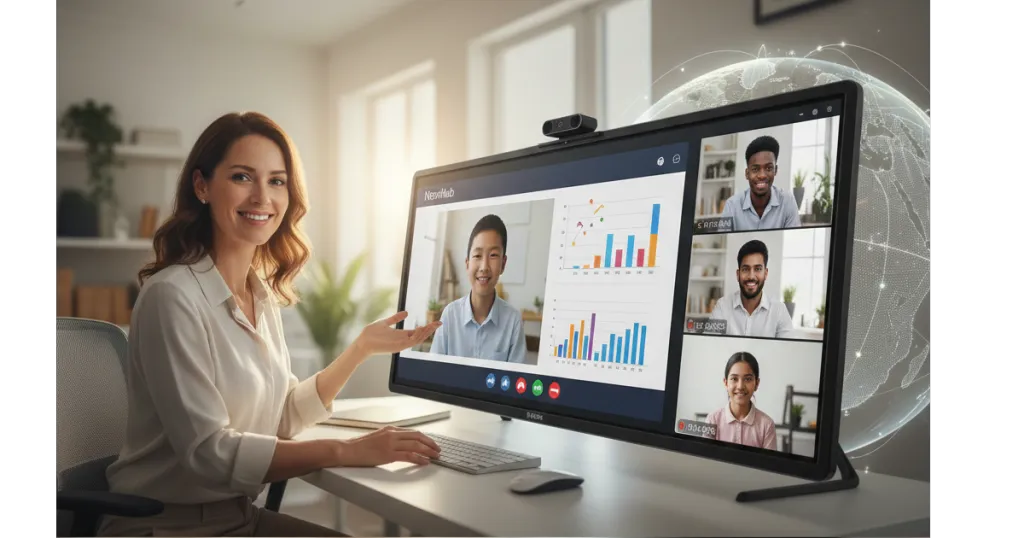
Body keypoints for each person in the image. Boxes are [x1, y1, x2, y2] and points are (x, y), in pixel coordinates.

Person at [96, 112, 443, 537]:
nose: (263, 196)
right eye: (243, 177)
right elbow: (210, 453)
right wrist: (346, 450)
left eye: (277, 181)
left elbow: (280, 418)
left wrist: (360, 350)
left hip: (238, 518)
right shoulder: (172, 297)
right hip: (167, 526)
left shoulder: (260, 296)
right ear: (202, 185)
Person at [429, 214, 528, 363]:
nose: (484, 267)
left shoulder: (513, 321)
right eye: (477, 255)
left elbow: (516, 381)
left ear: (503, 264)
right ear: (467, 263)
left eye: (493, 255)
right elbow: (432, 372)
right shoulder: (450, 315)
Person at [708, 239, 799, 339]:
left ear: (766, 273)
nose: (751, 276)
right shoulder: (722, 306)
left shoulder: (779, 311)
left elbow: (787, 351)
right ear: (738, 274)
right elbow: (709, 345)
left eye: (758, 269)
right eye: (745, 269)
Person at [721, 135, 801, 230]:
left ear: (775, 170)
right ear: (747, 173)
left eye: (768, 168)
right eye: (755, 169)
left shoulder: (788, 201)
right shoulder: (732, 206)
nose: (762, 175)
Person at [704, 352, 778, 450]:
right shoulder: (712, 420)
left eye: (748, 379)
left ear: (757, 384)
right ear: (726, 383)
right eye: (734, 379)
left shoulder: (767, 425)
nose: (740, 386)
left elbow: (768, 464)